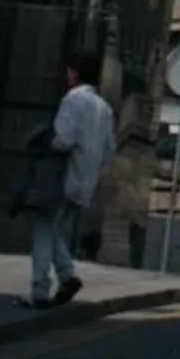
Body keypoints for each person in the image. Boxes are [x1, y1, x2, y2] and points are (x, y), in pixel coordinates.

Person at [23, 51, 116, 310]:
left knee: (42, 228)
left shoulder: (73, 101)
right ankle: (67, 276)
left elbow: (63, 139)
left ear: (74, 73)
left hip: (62, 178)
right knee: (53, 229)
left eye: (69, 70)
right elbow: (110, 151)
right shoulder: (104, 108)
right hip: (85, 182)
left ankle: (40, 290)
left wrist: (44, 143)